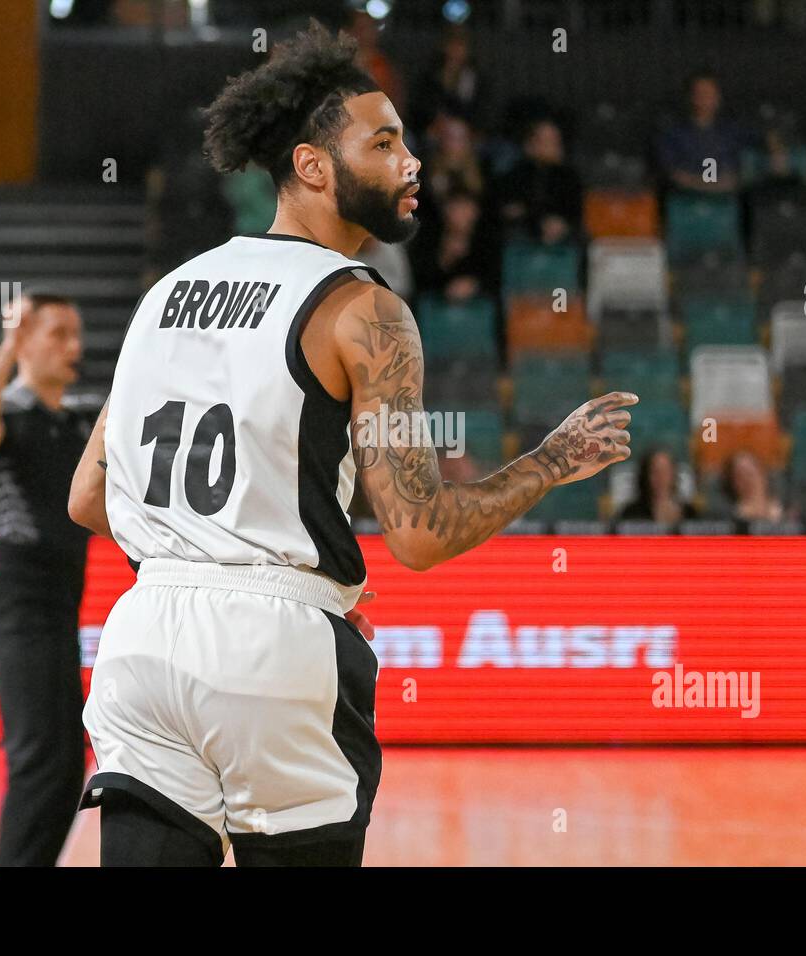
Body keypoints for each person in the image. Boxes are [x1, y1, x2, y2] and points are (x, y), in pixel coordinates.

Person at [67, 20, 634, 868]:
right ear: (312, 167)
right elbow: (419, 533)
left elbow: (87, 498)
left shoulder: (166, 293)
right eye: (385, 142)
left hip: (141, 641)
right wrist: (552, 461)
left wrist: (222, 566)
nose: (414, 163)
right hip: (274, 660)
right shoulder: (364, 312)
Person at [0, 293, 98, 866]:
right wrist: (6, 347)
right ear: (26, 341)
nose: (73, 347)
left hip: (59, 608)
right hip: (16, 605)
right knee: (40, 760)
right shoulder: (7, 416)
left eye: (76, 334)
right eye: (57, 333)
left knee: (66, 766)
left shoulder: (79, 420)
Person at [657, 71, 756, 195]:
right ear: (691, 96)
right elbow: (671, 172)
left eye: (709, 94)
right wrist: (707, 185)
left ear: (718, 97)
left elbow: (751, 164)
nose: (705, 99)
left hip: (728, 201)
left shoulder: (734, 132)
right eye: (700, 93)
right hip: (686, 200)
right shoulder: (673, 134)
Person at [491, 116, 584, 245]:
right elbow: (510, 209)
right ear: (529, 144)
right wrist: (536, 220)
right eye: (544, 140)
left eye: (554, 140)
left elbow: (575, 211)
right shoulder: (515, 174)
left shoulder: (569, 177)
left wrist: (561, 223)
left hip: (562, 235)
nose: (550, 146)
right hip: (523, 233)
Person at [618, 447, 696, 528]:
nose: (661, 477)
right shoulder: (631, 514)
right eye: (655, 472)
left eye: (665, 471)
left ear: (674, 473)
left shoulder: (690, 513)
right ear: (646, 475)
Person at [721, 450, 786, 528]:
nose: (747, 479)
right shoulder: (729, 520)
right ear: (732, 483)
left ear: (763, 474)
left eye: (751, 472)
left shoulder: (788, 511)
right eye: (740, 475)